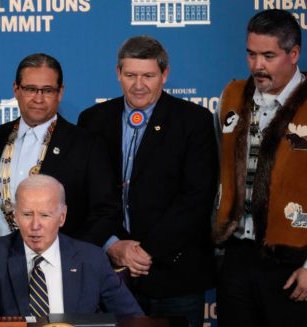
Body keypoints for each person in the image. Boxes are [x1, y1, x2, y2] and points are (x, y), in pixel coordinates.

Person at [77, 36, 218, 327]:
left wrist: (144, 251)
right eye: (130, 75)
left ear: (164, 75)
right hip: (110, 272)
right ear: (118, 73)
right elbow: (85, 194)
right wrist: (113, 245)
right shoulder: (93, 120)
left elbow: (196, 198)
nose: (138, 85)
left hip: (175, 275)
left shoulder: (194, 120)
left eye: (148, 76)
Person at [213, 9, 307, 327]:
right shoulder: (231, 95)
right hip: (236, 256)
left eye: (268, 55)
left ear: (294, 54)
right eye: (251, 54)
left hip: (294, 261)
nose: (257, 66)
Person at [0, 174, 143, 318]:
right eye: (27, 214)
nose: (35, 226)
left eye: (45, 215)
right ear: (16, 216)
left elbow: (134, 319)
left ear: (62, 217)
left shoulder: (90, 259)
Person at [0, 53, 120, 247]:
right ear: (16, 89)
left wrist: (71, 255)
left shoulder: (87, 145)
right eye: (30, 89)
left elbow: (106, 212)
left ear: (60, 92)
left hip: (60, 267)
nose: (38, 99)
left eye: (47, 90)